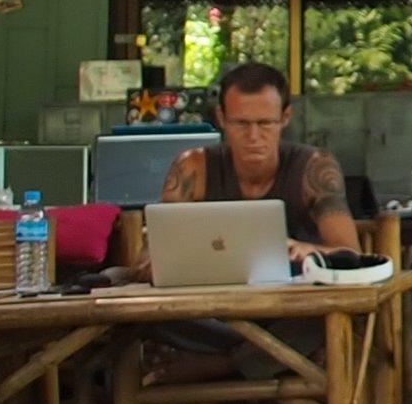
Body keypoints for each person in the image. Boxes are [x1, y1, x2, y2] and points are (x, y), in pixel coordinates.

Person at [143, 62, 358, 382]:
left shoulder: (313, 168)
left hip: (286, 314)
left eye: (265, 123)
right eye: (241, 123)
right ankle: (260, 359)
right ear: (221, 119)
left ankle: (224, 365)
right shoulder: (193, 168)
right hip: (214, 314)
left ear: (285, 118)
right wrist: (162, 263)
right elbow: (148, 259)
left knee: (329, 310)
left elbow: (350, 255)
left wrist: (304, 250)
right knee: (140, 316)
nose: (253, 136)